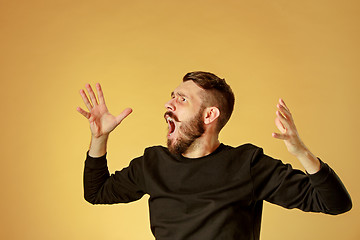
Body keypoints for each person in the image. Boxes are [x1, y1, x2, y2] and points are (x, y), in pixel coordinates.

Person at [77, 71, 352, 240]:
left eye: (181, 99)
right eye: (171, 95)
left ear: (210, 115)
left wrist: (301, 152)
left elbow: (335, 203)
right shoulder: (153, 164)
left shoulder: (248, 164)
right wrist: (99, 138)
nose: (168, 104)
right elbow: (97, 192)